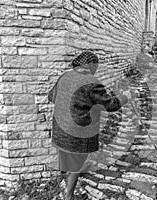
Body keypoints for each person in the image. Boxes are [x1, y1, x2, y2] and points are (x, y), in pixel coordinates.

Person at [48, 51, 130, 200]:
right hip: (79, 131)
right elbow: (110, 105)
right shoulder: (92, 82)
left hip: (60, 127)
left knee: (66, 154)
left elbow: (51, 97)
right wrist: (124, 97)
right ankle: (69, 196)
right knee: (77, 162)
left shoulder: (64, 76)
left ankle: (63, 179)